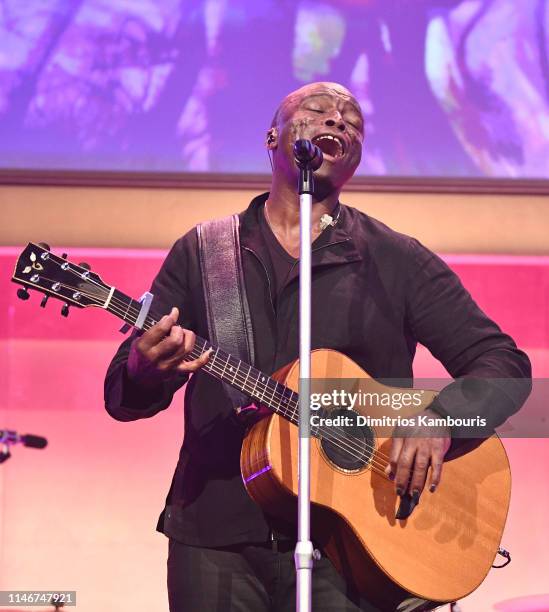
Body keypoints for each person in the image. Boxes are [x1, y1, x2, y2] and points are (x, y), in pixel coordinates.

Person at [104, 82, 531, 611]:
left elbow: (504, 365)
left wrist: (441, 420)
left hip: (357, 546)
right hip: (218, 536)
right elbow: (124, 393)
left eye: (352, 118)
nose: (338, 120)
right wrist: (145, 369)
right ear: (272, 137)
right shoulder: (204, 251)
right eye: (317, 111)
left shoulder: (395, 259)